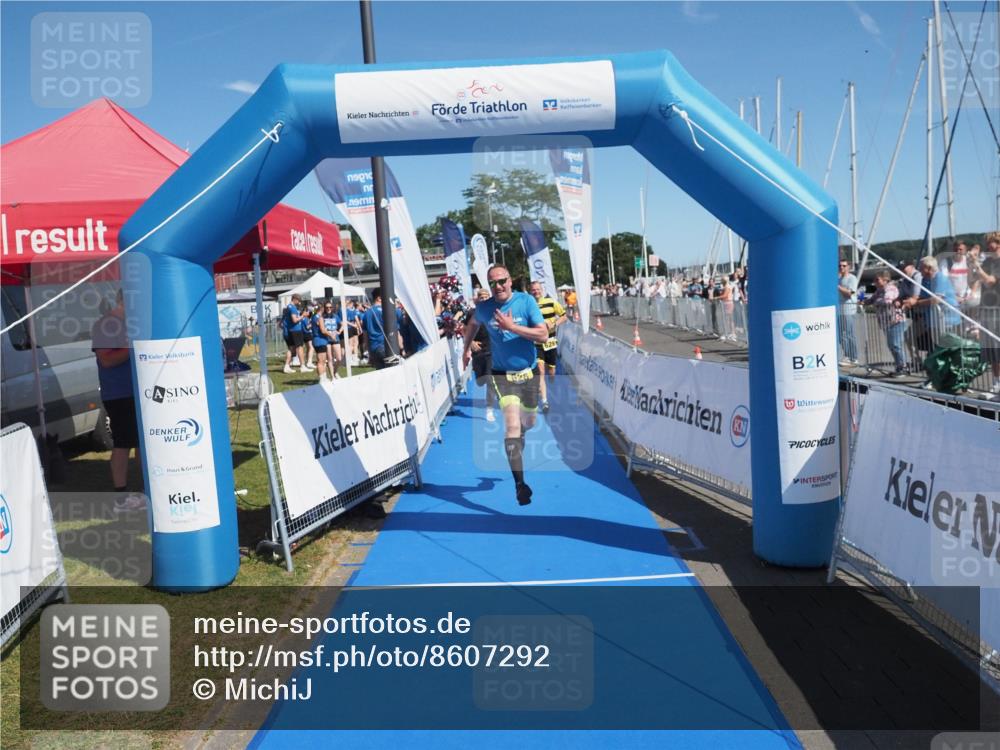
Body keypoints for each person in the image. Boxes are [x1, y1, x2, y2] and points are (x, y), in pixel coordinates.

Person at [463, 265, 548, 506]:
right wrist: (466, 349)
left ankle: (521, 432)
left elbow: (542, 335)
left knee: (528, 423)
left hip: (528, 373)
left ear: (511, 281)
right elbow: (472, 325)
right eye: (493, 283)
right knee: (511, 427)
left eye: (502, 281)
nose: (498, 286)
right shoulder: (484, 307)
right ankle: (520, 485)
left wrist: (512, 328)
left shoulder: (526, 301)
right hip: (501, 375)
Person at [91, 290, 145, 513]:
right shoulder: (105, 324)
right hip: (119, 393)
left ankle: (146, 491)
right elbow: (106, 360)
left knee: (142, 443)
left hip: (138, 391)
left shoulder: (131, 323)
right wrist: (133, 346)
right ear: (124, 301)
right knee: (123, 443)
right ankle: (121, 498)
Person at [902, 255, 961, 355]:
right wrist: (910, 300)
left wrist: (916, 303)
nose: (919, 270)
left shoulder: (940, 278)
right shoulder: (925, 280)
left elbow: (936, 299)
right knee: (911, 336)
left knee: (945, 345)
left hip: (946, 319)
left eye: (921, 267)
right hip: (931, 319)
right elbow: (920, 296)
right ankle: (918, 361)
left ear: (929, 268)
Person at [528, 280, 567, 414]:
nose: (536, 292)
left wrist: (554, 323)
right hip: (536, 343)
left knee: (551, 372)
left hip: (550, 342)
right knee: (540, 372)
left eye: (538, 289)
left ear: (542, 290)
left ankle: (552, 383)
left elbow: (564, 316)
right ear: (530, 291)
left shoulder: (551, 302)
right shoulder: (529, 305)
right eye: (533, 290)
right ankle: (544, 401)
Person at [971, 232, 1000, 393]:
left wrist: (976, 264)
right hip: (988, 307)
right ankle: (996, 382)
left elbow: (989, 281)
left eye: (990, 242)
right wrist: (973, 263)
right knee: (992, 348)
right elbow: (977, 277)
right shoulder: (989, 261)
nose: (988, 245)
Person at [864, 270, 909, 374]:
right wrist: (865, 301)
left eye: (877, 279)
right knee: (891, 345)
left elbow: (887, 300)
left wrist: (875, 302)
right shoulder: (879, 290)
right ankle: (899, 366)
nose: (874, 282)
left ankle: (903, 367)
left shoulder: (891, 288)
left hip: (896, 321)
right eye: (874, 280)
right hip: (886, 322)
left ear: (885, 280)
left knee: (895, 344)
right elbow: (871, 300)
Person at [470, 289, 498, 422]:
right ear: (478, 299)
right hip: (477, 352)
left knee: (490, 380)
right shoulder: (471, 313)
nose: (484, 299)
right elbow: (464, 330)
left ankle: (489, 409)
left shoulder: (495, 312)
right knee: (481, 381)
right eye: (481, 297)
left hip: (492, 350)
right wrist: (471, 342)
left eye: (486, 297)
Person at [363, 289, 403, 369]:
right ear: (379, 298)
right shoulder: (386, 311)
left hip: (374, 349)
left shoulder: (366, 313)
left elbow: (365, 336)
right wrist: (401, 347)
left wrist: (369, 353)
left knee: (382, 376)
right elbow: (395, 331)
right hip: (387, 348)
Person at [282, 294, 312, 374]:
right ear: (294, 299)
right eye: (298, 300)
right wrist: (303, 316)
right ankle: (302, 366)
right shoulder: (292, 308)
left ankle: (286, 366)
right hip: (295, 331)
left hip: (291, 331)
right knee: (300, 348)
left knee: (291, 349)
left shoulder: (288, 307)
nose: (299, 303)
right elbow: (295, 320)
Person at [837, 259, 860, 364]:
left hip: (849, 310)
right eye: (840, 266)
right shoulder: (838, 279)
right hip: (840, 310)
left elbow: (850, 293)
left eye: (844, 266)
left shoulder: (852, 278)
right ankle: (847, 355)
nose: (841, 268)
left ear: (848, 267)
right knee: (842, 335)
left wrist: (838, 287)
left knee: (850, 334)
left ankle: (854, 357)